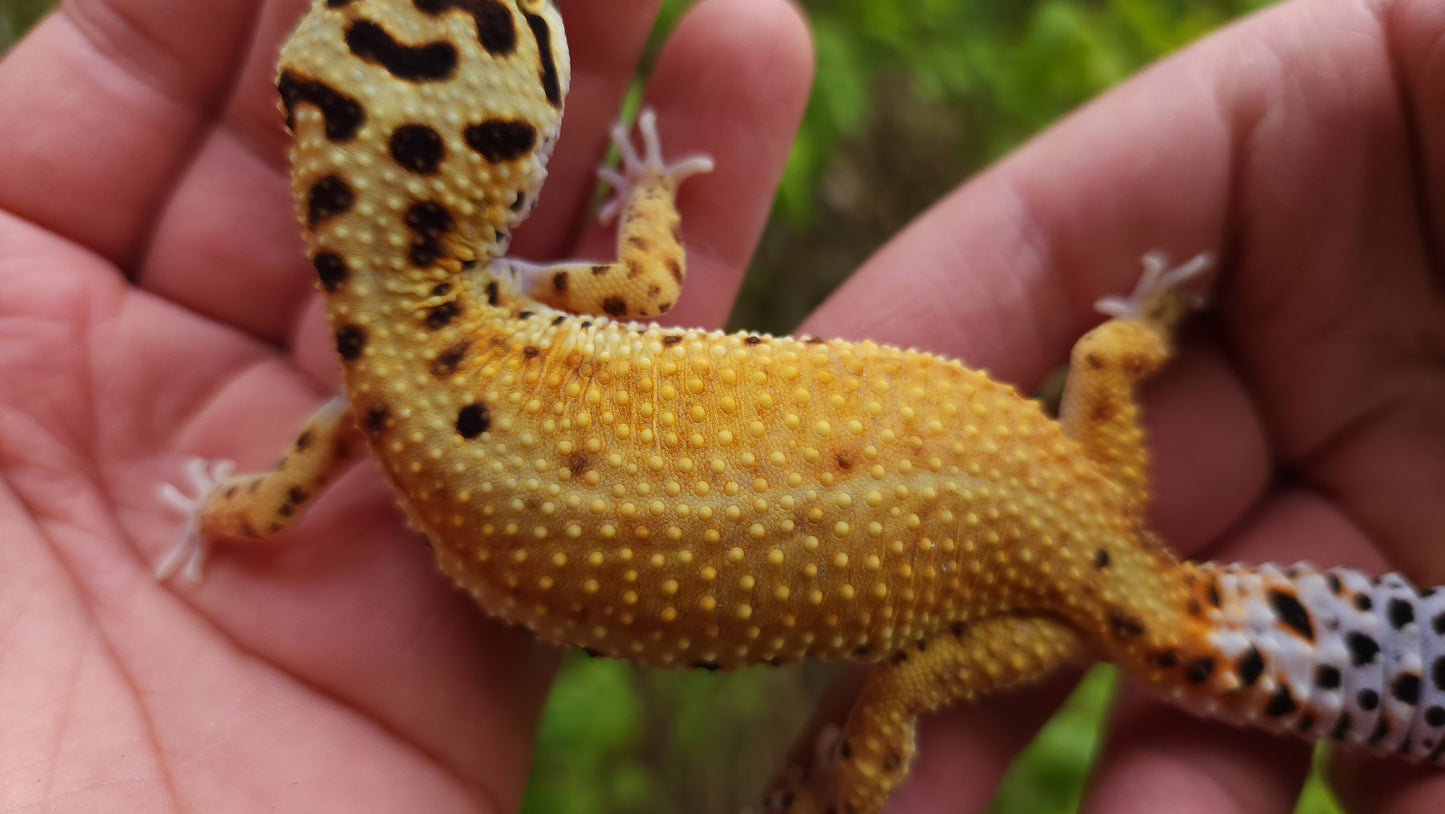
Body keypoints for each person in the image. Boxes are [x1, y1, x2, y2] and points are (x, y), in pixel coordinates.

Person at [0, 0, 1440, 811]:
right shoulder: (479, 344)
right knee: (925, 647)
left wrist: (211, 514)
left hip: (1057, 563)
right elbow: (648, 277)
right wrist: (646, 197)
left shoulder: (366, 411)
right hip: (1068, 538)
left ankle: (852, 778)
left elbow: (267, 502)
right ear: (512, 159)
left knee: (894, 695)